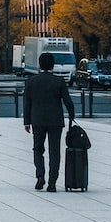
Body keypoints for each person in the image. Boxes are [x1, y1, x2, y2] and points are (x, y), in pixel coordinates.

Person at [24, 51, 75, 192]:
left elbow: (27, 103)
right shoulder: (59, 81)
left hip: (37, 119)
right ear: (53, 65)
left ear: (39, 65)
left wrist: (26, 121)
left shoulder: (31, 81)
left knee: (38, 148)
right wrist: (71, 115)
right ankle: (52, 182)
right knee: (55, 151)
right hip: (55, 120)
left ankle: (40, 175)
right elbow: (67, 101)